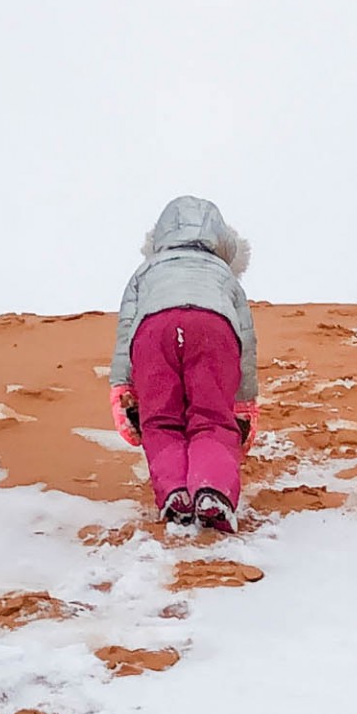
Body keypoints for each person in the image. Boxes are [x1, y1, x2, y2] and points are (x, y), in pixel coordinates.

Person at [109, 196, 259, 533]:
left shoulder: (145, 271)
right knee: (213, 420)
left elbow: (125, 329)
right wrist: (245, 400)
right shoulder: (223, 274)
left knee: (160, 421)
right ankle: (213, 491)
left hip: (153, 331)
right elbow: (246, 338)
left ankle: (175, 493)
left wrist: (122, 385)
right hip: (213, 328)